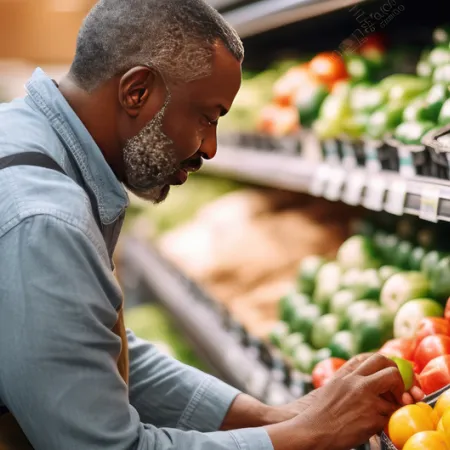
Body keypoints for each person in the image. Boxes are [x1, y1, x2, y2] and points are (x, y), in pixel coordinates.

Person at [0, 1, 423, 449]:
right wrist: (309, 435)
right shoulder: (44, 222)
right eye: (207, 116)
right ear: (136, 92)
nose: (211, 148)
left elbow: (84, 347)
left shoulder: (30, 137)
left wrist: (276, 416)